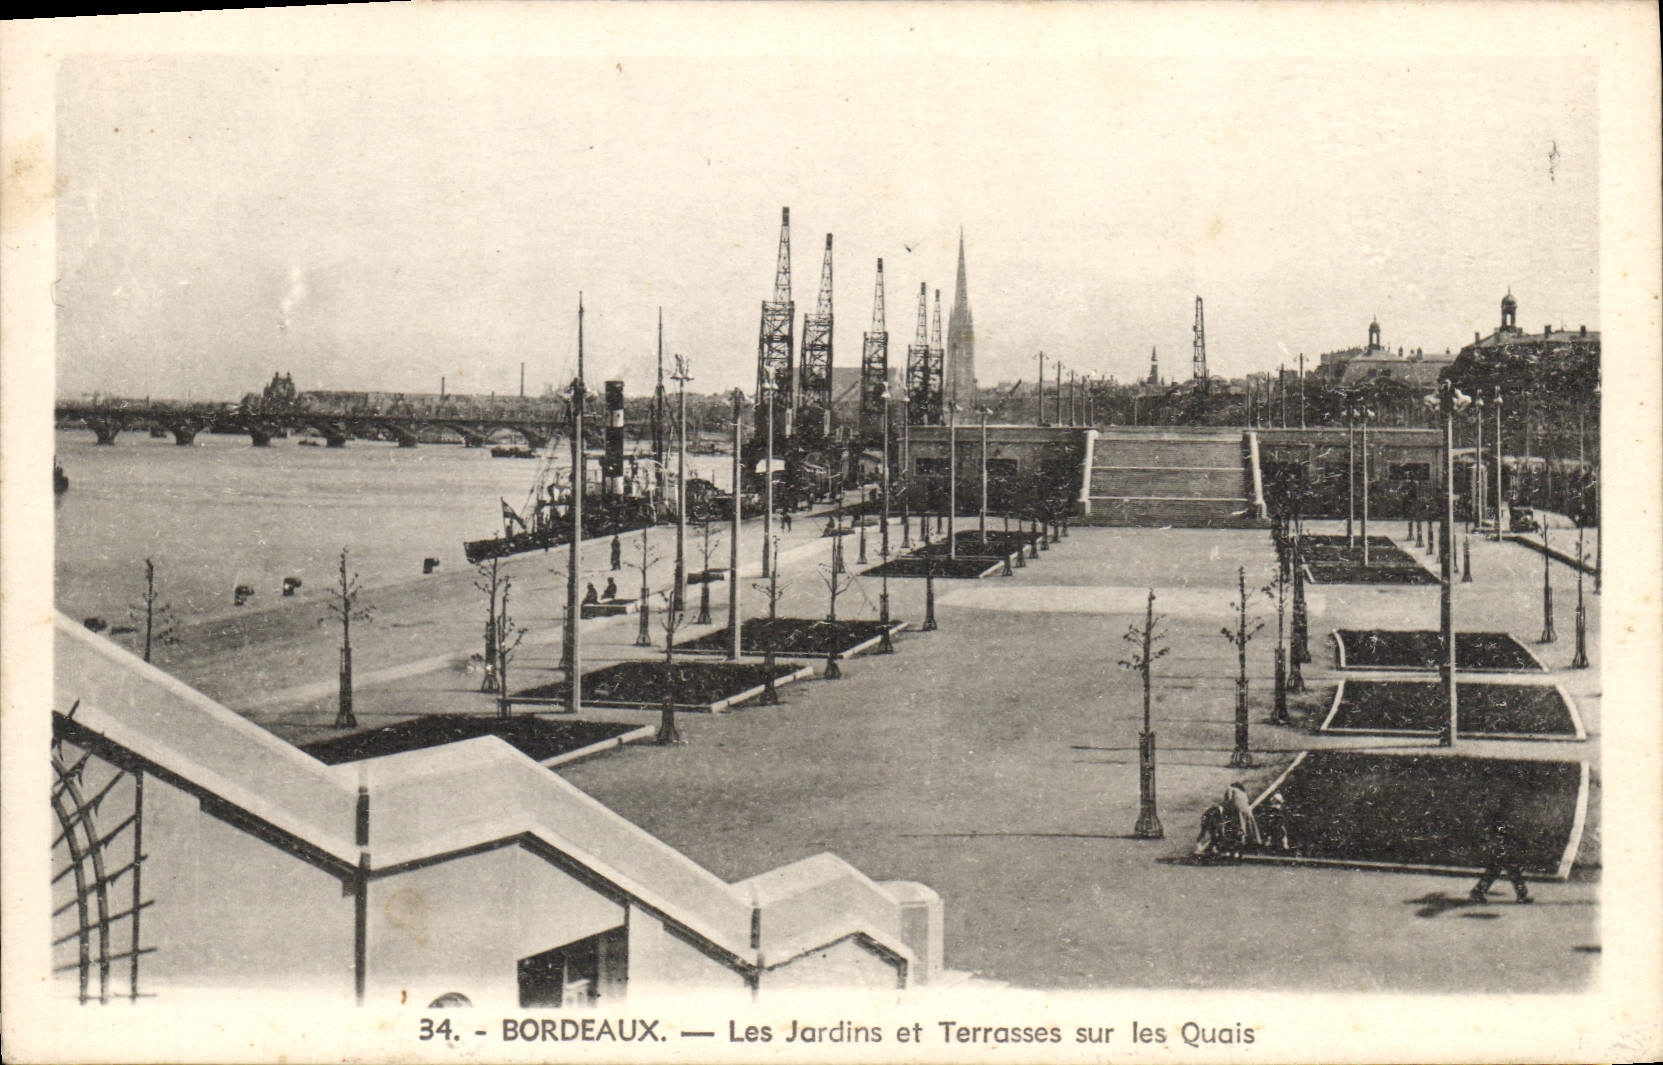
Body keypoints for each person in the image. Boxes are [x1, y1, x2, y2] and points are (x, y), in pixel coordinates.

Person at [1471, 804, 1532, 904]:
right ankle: (1477, 892)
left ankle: (1522, 894)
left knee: (1502, 871)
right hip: (1501, 849)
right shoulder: (1500, 820)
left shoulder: (1500, 819)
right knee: (1506, 871)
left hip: (1502, 848)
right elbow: (1501, 834)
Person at [1225, 782, 1262, 848]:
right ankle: (1254, 842)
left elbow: (1228, 799)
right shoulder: (1243, 793)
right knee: (1248, 826)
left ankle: (1241, 842)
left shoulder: (1230, 788)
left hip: (1238, 810)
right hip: (1247, 810)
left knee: (1240, 825)